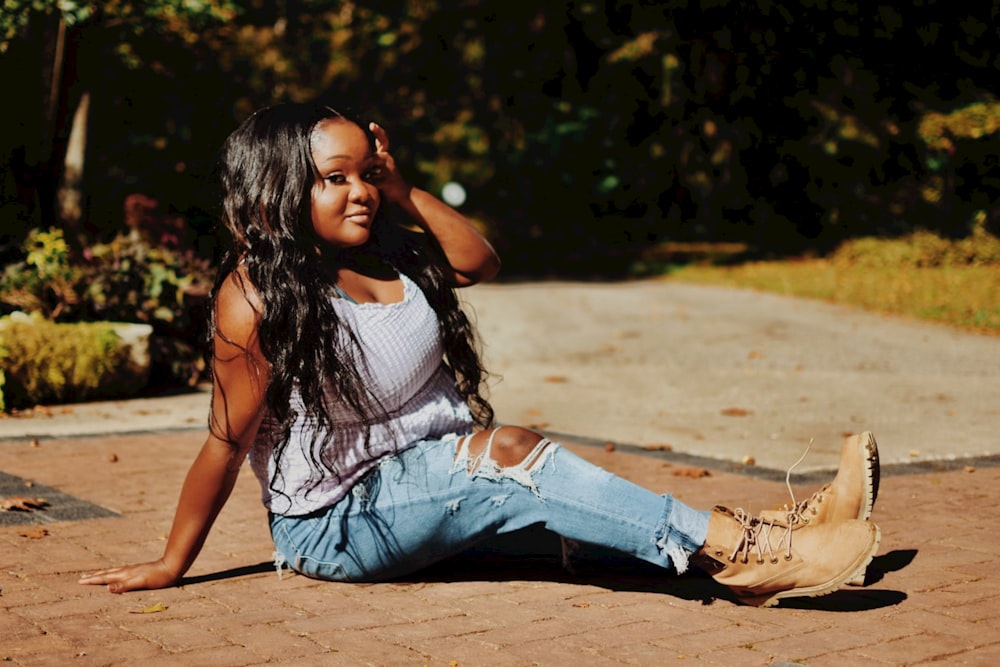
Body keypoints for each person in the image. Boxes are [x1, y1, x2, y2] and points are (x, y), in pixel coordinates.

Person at [79, 102, 881, 608]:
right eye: (336, 178)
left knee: (592, 523)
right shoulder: (254, 301)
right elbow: (224, 441)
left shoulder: (387, 243)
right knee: (515, 456)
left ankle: (784, 534)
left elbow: (478, 261)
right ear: (281, 189)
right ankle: (751, 553)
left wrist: (401, 191)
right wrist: (171, 561)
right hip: (337, 521)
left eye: (368, 171)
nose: (359, 189)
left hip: (428, 477)